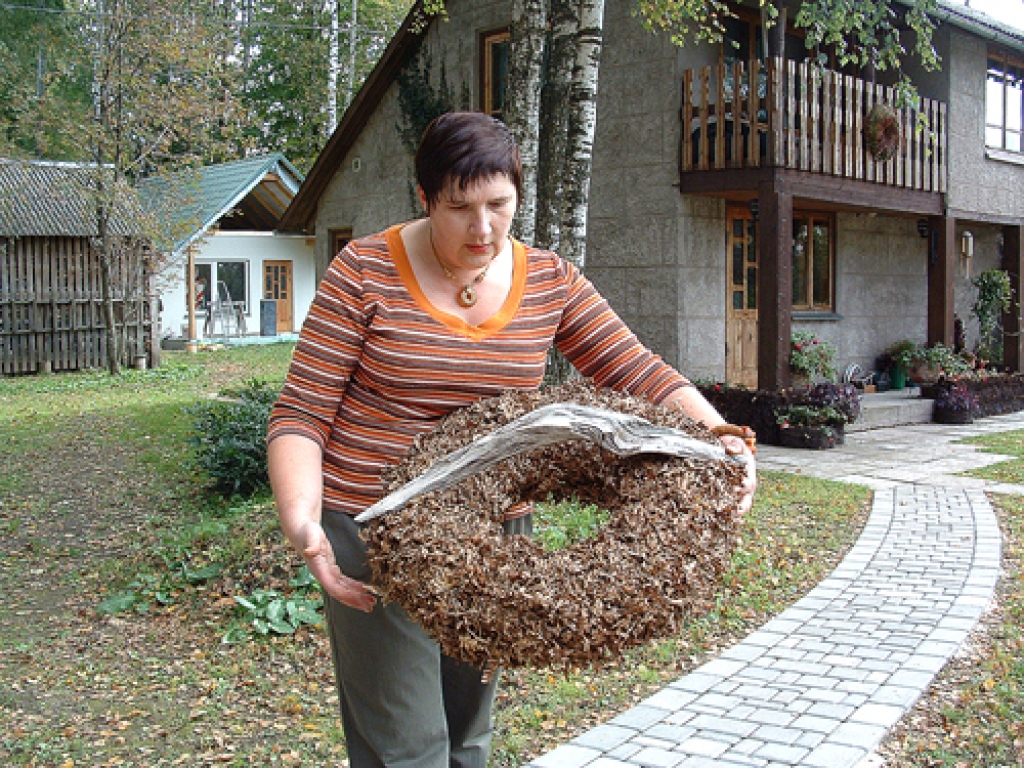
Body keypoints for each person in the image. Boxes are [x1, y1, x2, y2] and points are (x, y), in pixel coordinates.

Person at [267, 111, 756, 768]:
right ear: (424, 198)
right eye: (460, 208)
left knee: (469, 737)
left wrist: (719, 436)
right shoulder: (364, 271)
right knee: (407, 750)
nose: (483, 227)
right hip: (374, 529)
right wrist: (304, 522)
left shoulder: (549, 279)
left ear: (518, 193)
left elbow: (636, 370)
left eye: (499, 204)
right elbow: (301, 413)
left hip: (494, 537)